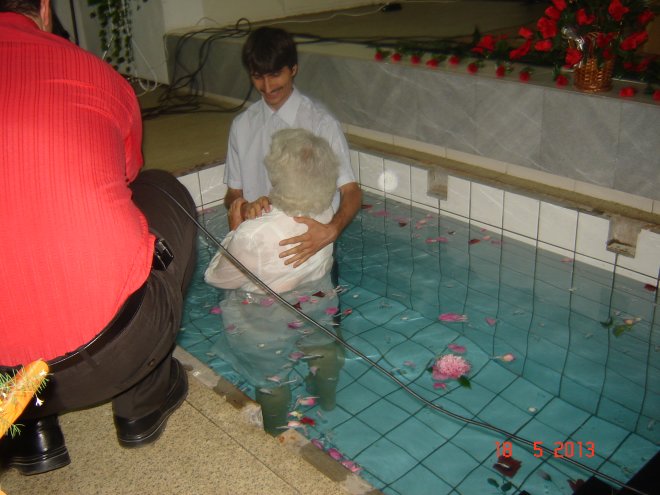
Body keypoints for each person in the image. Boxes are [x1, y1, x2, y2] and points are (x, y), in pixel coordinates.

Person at [0, 0, 197, 475]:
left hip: (8, 386)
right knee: (161, 189)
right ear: (45, 8)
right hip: (115, 352)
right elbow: (126, 177)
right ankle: (142, 403)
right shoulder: (94, 73)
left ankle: (33, 432)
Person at [206, 128, 344, 435]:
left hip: (263, 315)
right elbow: (291, 210)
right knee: (321, 346)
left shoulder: (252, 234)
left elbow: (218, 278)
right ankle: (327, 400)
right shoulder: (325, 212)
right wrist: (268, 202)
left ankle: (276, 435)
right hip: (316, 297)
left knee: (271, 377)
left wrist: (234, 230)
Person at [223, 26, 361, 270]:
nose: (267, 87)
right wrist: (244, 207)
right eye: (258, 76)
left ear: (293, 69)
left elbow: (351, 191)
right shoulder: (241, 126)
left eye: (275, 74)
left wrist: (331, 230)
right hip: (258, 248)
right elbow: (233, 193)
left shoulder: (321, 124)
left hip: (309, 249)